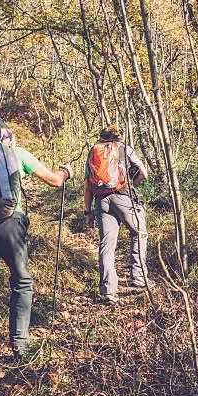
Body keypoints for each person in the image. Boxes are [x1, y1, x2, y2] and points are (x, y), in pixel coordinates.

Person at [0, 127, 73, 384]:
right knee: (22, 281)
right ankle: (21, 349)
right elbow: (54, 181)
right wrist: (66, 171)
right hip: (9, 223)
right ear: (8, 140)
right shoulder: (16, 153)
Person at [84, 124, 151, 306]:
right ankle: (138, 276)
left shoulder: (93, 152)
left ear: (101, 137)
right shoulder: (124, 149)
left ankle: (108, 291)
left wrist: (88, 212)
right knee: (139, 233)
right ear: (118, 137)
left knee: (107, 244)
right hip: (122, 196)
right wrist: (132, 183)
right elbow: (144, 173)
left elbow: (87, 186)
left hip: (100, 201)